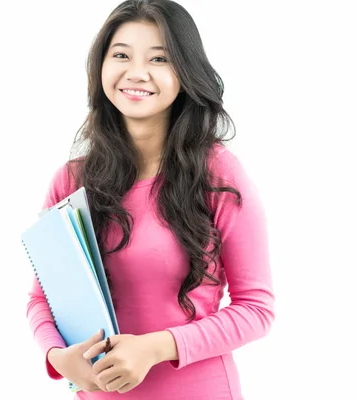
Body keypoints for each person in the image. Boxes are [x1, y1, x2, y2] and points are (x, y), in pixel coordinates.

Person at [25, 0, 275, 398]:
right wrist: (57, 356)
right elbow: (42, 299)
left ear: (185, 72)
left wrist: (157, 347)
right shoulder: (72, 181)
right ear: (101, 67)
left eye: (159, 58)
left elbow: (257, 309)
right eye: (121, 55)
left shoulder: (219, 174)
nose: (136, 72)